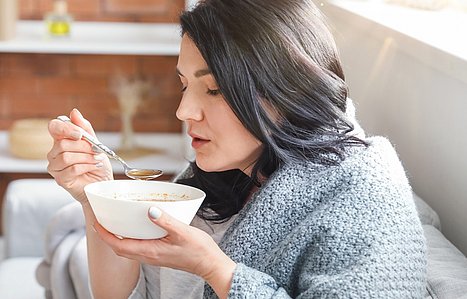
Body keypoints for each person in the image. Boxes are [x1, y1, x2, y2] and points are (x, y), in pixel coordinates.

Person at [46, 0, 426, 298]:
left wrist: (217, 271)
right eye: (184, 85)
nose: (184, 112)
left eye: (213, 89)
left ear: (287, 89)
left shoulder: (363, 194)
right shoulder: (220, 176)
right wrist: (96, 194)